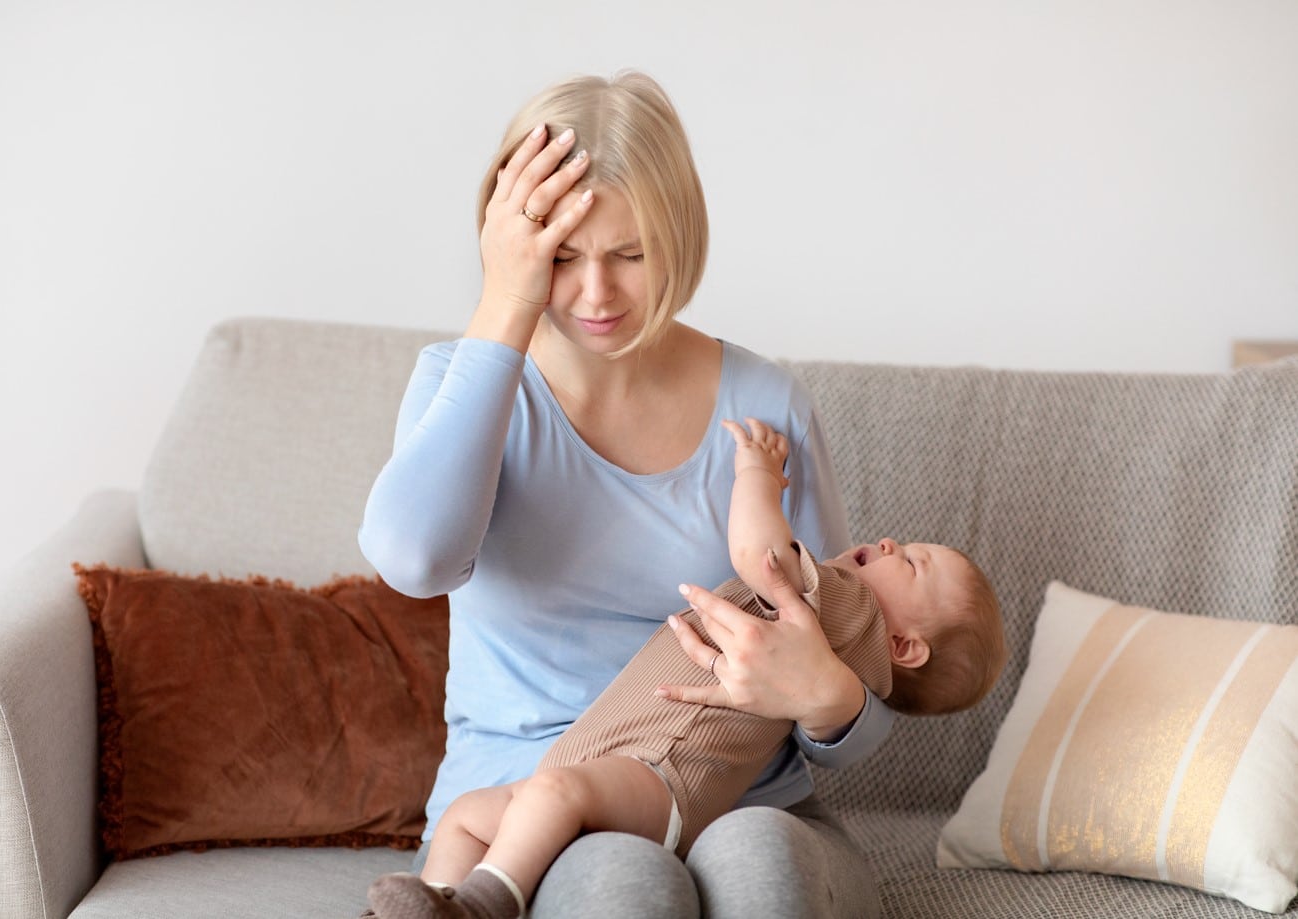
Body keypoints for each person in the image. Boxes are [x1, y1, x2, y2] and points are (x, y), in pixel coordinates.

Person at [359, 70, 890, 919]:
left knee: (759, 864)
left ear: (677, 238)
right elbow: (415, 560)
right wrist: (505, 303)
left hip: (745, 799)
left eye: (630, 254)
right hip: (524, 820)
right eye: (562, 258)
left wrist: (828, 698)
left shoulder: (765, 404)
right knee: (621, 884)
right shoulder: (461, 384)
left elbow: (842, 677)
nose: (597, 294)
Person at [363, 418, 1006, 919]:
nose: (893, 542)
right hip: (613, 756)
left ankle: (484, 903)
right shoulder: (843, 617)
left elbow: (761, 557)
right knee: (466, 816)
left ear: (905, 647)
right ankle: (439, 903)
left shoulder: (849, 611)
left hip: (662, 770)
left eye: (915, 562)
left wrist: (757, 474)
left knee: (553, 798)